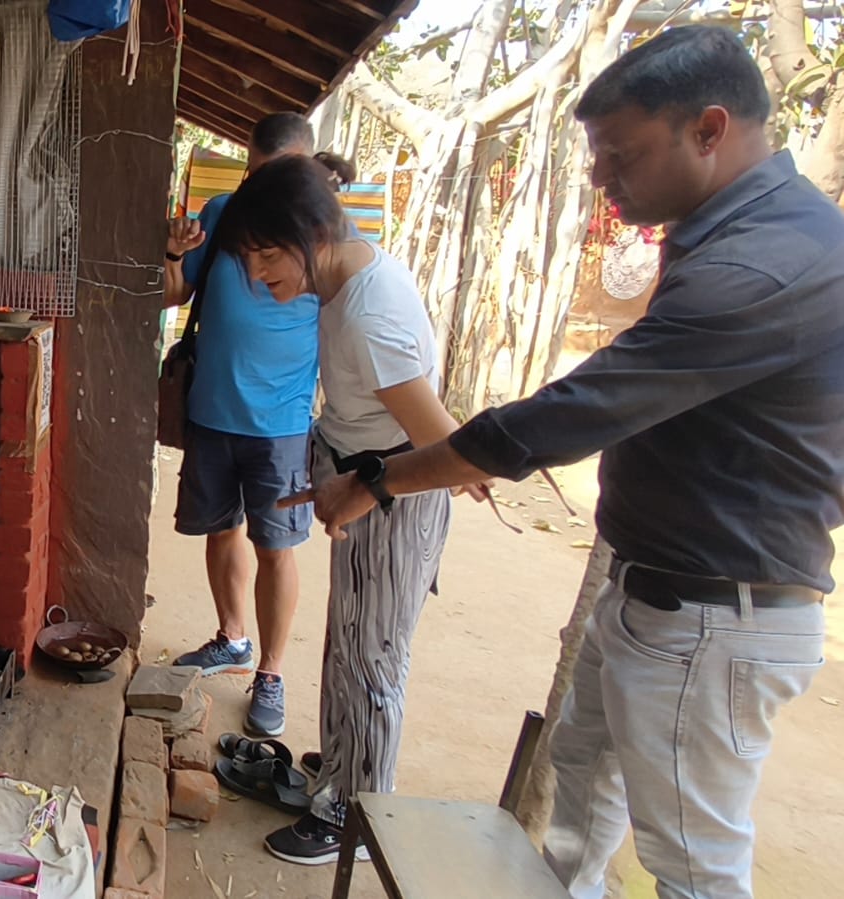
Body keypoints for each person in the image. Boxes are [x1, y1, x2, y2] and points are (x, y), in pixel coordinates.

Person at [306, 26, 839, 899]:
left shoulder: (765, 264)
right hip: (657, 593)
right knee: (579, 812)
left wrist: (378, 478)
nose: (599, 178)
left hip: (712, 614)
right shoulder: (728, 233)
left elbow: (570, 415)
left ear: (708, 129)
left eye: (620, 154)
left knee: (693, 868)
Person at [206, 153, 489, 864]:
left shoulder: (368, 314)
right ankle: (339, 775)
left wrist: (365, 485)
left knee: (371, 662)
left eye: (267, 261)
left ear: (310, 236)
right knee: (349, 645)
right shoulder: (344, 283)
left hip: (392, 497)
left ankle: (354, 818)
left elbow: (451, 455)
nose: (260, 281)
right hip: (367, 485)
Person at [162, 112, 323, 738]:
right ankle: (232, 639)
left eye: (275, 175)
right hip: (212, 409)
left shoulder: (324, 227)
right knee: (221, 528)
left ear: (305, 169)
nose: (262, 188)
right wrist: (174, 253)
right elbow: (175, 294)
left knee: (276, 546)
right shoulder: (224, 211)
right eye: (254, 174)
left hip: (281, 422)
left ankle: (272, 672)